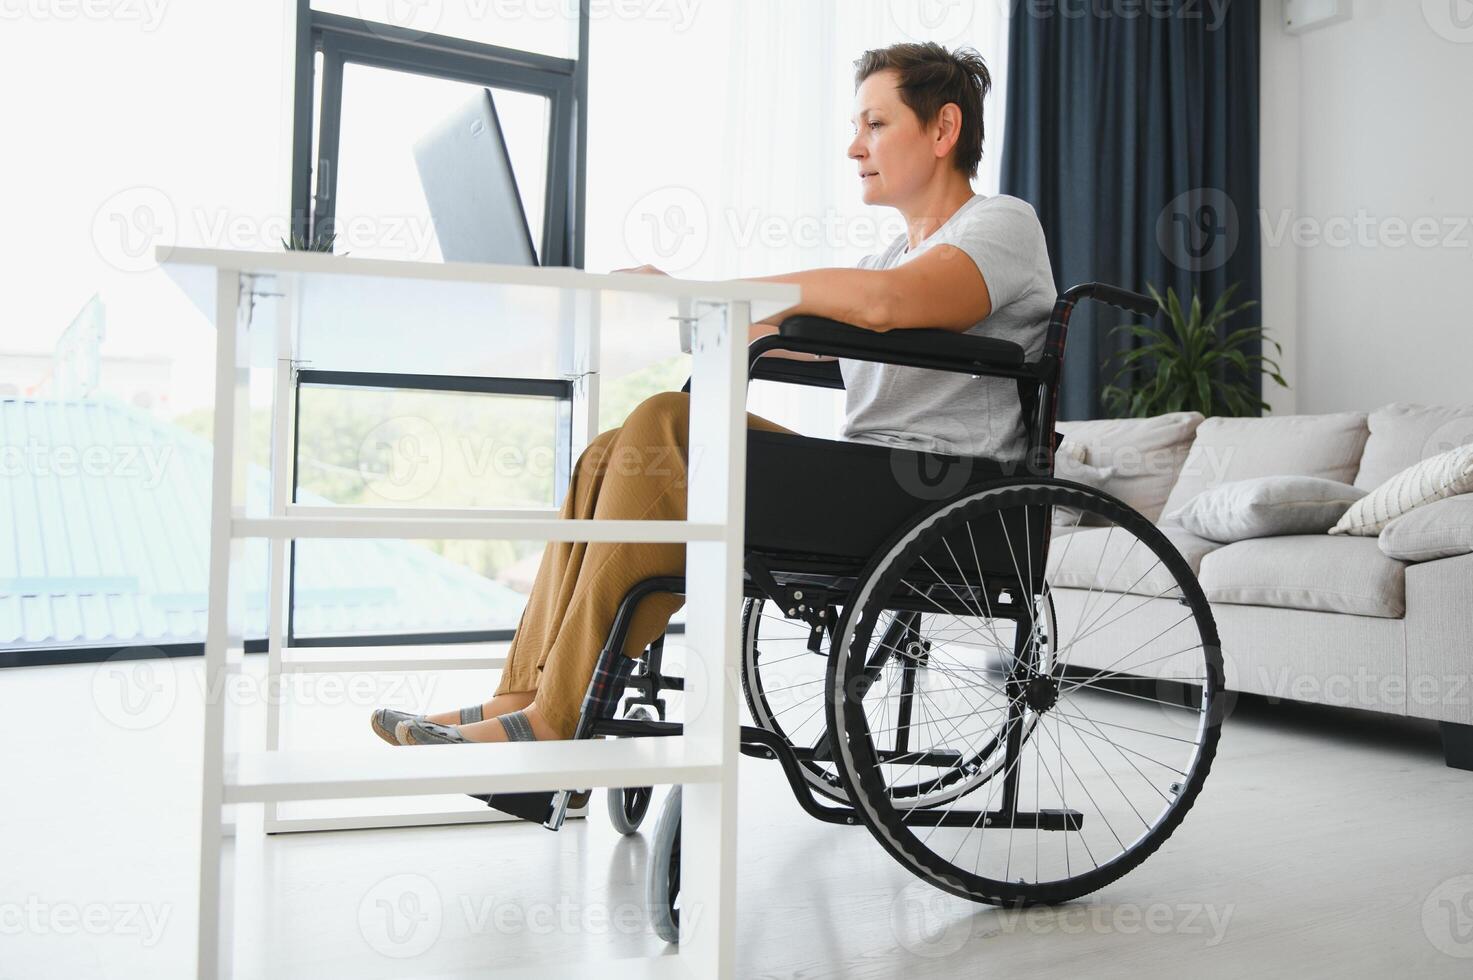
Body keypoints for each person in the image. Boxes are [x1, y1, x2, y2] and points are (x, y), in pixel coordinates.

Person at [372, 39, 1057, 748]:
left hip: (948, 499)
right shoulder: (886, 255)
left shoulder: (999, 223)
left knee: (667, 421)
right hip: (880, 488)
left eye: (875, 124)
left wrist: (725, 295)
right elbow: (789, 333)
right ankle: (521, 697)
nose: (854, 147)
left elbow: (887, 305)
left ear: (943, 129)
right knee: (611, 456)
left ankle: (558, 718)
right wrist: (681, 308)